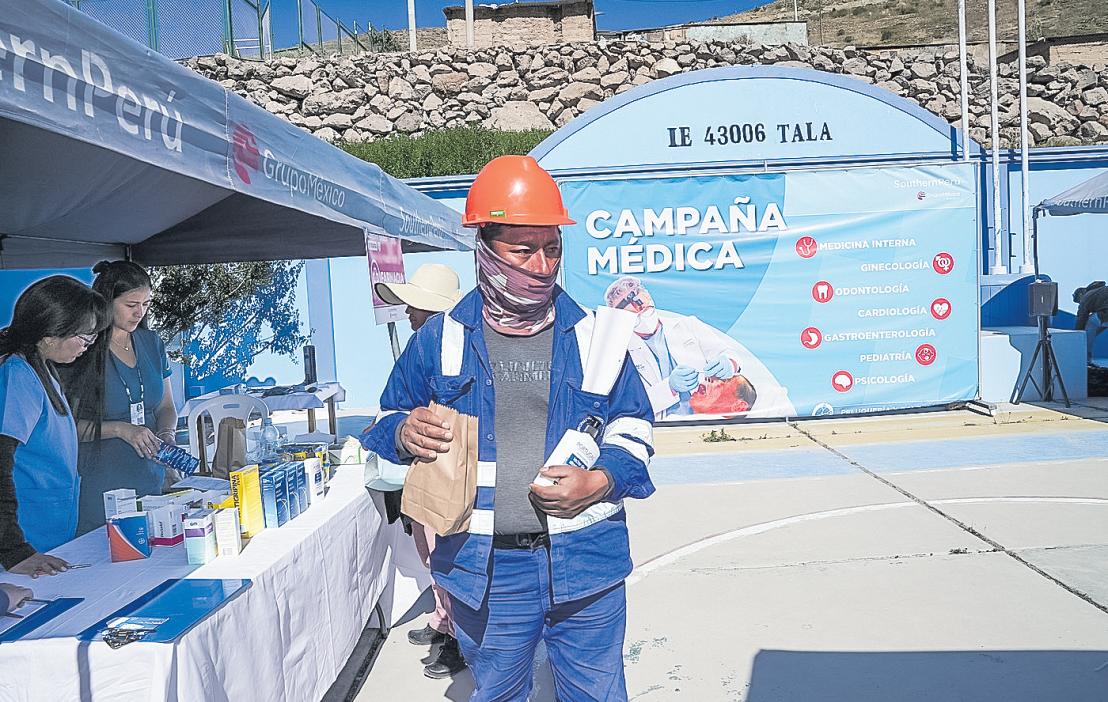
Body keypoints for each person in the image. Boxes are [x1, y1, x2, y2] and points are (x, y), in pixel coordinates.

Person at [363, 155, 655, 701]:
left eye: (552, 248)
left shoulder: (596, 337)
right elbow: (384, 420)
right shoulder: (440, 339)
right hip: (488, 575)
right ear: (486, 249)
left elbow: (634, 425)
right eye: (524, 250)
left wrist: (601, 480)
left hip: (587, 567)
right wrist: (403, 432)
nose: (542, 265)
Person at [374, 263, 468, 679]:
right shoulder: (422, 344)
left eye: (414, 305)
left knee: (447, 556)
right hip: (426, 470)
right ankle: (444, 620)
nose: (408, 312)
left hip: (448, 475)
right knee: (431, 552)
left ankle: (458, 636)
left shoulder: (453, 346)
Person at [0, 276, 109, 577]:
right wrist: (14, 550)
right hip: (23, 544)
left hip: (48, 534)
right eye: (85, 337)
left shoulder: (43, 368)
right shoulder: (18, 375)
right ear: (50, 334)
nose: (88, 346)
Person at [63, 261, 177, 535]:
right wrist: (119, 429)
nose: (140, 312)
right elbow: (65, 429)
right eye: (131, 304)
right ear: (106, 301)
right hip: (101, 488)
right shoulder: (82, 349)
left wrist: (167, 434)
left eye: (146, 304)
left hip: (150, 481)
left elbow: (165, 405)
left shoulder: (152, 342)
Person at [604, 276, 795, 420]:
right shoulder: (619, 351)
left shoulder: (687, 325)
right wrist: (669, 388)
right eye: (628, 307)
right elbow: (627, 405)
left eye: (641, 303)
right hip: (660, 425)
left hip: (705, 420)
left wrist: (730, 363)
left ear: (648, 296)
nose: (638, 306)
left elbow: (726, 352)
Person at [1074, 282, 1108, 364]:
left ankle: (1086, 359)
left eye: (1079, 301)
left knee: (1090, 322)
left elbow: (1081, 318)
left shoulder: (1086, 296)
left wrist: (1077, 334)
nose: (1080, 303)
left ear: (1080, 294)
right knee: (1094, 326)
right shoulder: (1099, 290)